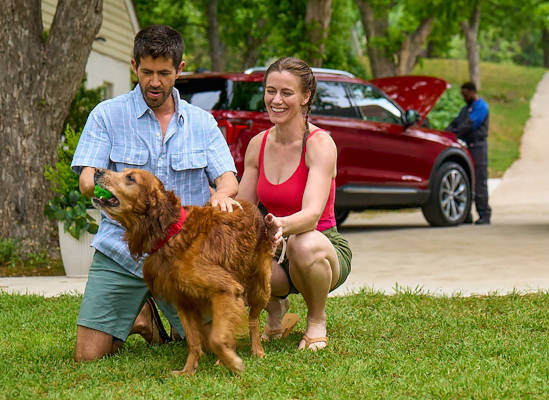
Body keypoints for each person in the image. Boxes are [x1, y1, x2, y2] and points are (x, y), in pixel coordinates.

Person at [70, 25, 240, 362]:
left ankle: (168, 315)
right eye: (146, 72)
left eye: (164, 73)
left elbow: (228, 179)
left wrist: (222, 193)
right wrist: (90, 179)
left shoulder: (202, 123)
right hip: (121, 250)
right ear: (134, 66)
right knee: (88, 357)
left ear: (180, 68)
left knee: (213, 348)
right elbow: (88, 172)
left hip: (183, 256)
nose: (155, 82)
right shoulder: (107, 115)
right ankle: (142, 316)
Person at [236, 57, 352, 351]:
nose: (276, 100)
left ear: (305, 97)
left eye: (286, 93)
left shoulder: (319, 144)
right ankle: (275, 308)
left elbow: (312, 216)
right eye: (270, 91)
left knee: (303, 243)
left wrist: (281, 226)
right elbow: (243, 210)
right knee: (237, 245)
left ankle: (316, 320)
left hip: (320, 245)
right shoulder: (257, 145)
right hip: (276, 248)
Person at [447, 82, 491, 225]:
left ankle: (484, 214)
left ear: (473, 92)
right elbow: (456, 122)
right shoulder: (465, 109)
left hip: (478, 147)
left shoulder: (481, 107)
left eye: (465, 95)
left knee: (479, 181)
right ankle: (466, 215)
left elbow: (470, 125)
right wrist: (446, 133)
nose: (464, 98)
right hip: (466, 147)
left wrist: (455, 133)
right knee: (466, 180)